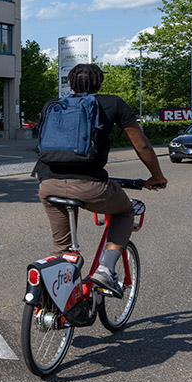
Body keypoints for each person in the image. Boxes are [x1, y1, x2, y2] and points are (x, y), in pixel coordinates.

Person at [33, 63, 166, 296]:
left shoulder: (53, 105)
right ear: (99, 82)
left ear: (70, 83)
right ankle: (105, 268)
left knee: (61, 250)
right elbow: (142, 145)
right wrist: (156, 176)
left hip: (48, 184)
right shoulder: (113, 103)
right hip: (90, 185)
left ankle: (50, 304)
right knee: (125, 212)